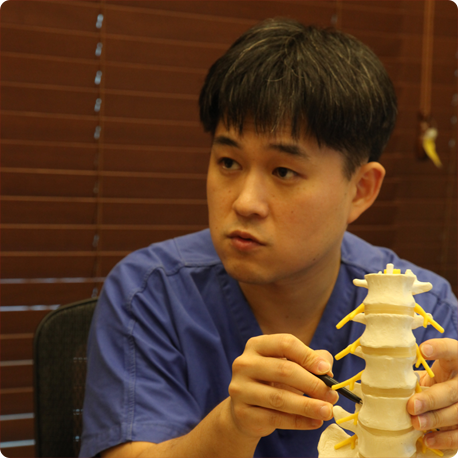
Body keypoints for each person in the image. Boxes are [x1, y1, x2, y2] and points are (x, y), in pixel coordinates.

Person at [80, 18, 458, 458]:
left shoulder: (422, 308)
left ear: (360, 190)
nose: (245, 202)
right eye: (228, 163)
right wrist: (233, 426)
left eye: (283, 171)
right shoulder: (151, 293)